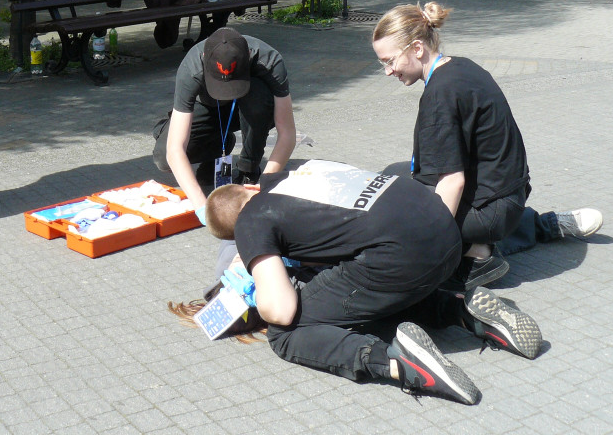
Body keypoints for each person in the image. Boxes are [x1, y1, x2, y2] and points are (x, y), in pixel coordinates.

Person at [195, 163, 543, 405]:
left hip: (401, 258)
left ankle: (400, 363)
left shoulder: (251, 223)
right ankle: (462, 309)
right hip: (445, 232)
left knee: (285, 333)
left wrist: (258, 273)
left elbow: (282, 310)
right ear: (249, 188)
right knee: (360, 287)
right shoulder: (297, 176)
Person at [371, 2, 603, 289]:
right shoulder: (460, 66)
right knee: (392, 176)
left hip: (494, 210)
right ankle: (544, 225)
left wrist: (424, 246)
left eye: (390, 61)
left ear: (417, 48)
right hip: (511, 194)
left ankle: (478, 253)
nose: (388, 71)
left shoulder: (440, 96)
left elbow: (452, 182)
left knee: (394, 207)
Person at [152, 27, 295, 223]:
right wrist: (201, 205)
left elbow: (287, 134)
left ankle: (248, 169)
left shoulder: (269, 60)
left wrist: (265, 183)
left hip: (251, 109)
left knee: (259, 97)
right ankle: (219, 144)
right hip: (210, 109)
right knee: (163, 158)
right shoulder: (191, 67)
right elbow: (174, 149)